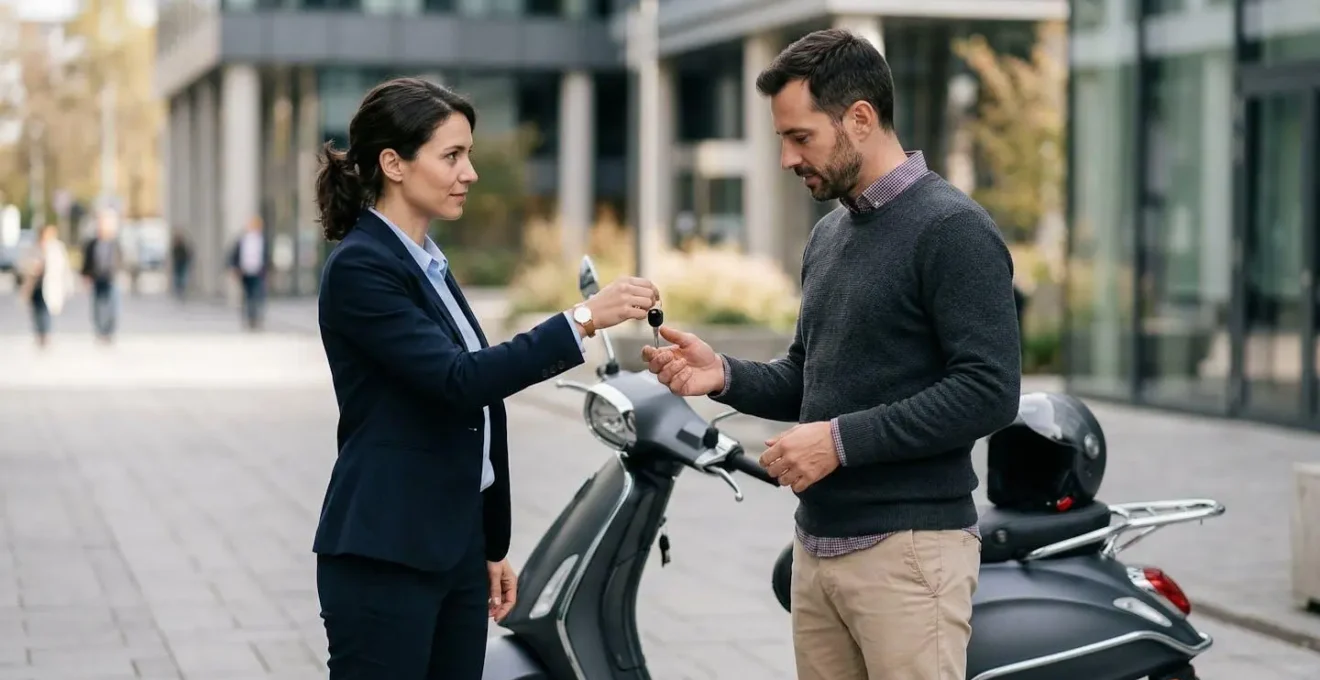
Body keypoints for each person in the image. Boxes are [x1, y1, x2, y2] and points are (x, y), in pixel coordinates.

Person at [642, 29, 1021, 680]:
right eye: (782, 140)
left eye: (800, 137)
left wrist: (838, 443)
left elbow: (989, 391)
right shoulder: (829, 235)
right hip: (818, 551)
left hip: (910, 556)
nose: (788, 159)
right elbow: (807, 378)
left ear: (861, 119)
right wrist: (723, 374)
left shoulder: (953, 230)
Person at [310, 76, 660, 680]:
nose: (468, 172)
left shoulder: (428, 264)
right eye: (452, 156)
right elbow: (461, 381)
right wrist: (582, 318)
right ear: (393, 163)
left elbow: (473, 415)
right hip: (386, 555)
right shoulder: (362, 267)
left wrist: (486, 545)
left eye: (467, 154)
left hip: (452, 552)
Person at [18, 224, 73, 347]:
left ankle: (46, 333)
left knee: (46, 310)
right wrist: (33, 267)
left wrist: (67, 285)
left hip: (50, 285)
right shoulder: (34, 247)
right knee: (37, 310)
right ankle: (39, 332)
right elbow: (24, 264)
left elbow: (63, 268)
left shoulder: (57, 248)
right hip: (35, 285)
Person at [81, 209, 122, 343]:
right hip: (97, 278)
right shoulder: (92, 243)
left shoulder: (115, 243)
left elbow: (121, 259)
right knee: (97, 306)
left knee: (112, 306)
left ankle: (109, 332)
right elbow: (87, 261)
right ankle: (100, 332)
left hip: (111, 278)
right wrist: (86, 276)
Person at [228, 216, 268, 329]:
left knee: (257, 295)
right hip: (245, 272)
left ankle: (255, 318)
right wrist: (234, 268)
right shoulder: (242, 239)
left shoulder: (262, 240)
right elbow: (234, 254)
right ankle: (249, 318)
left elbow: (266, 256)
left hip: (258, 272)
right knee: (247, 296)